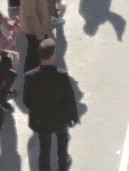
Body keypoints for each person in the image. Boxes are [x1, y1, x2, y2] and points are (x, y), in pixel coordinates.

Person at [20, 42, 78, 171]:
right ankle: (62, 166)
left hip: (41, 121)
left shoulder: (30, 76)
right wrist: (73, 117)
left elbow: (26, 101)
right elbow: (69, 98)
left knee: (44, 150)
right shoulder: (62, 75)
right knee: (62, 147)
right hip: (60, 119)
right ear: (53, 55)